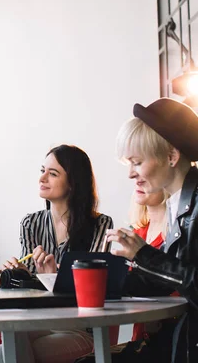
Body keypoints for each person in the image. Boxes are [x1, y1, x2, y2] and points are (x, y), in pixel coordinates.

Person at [81, 98, 198, 362]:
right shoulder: (178, 204)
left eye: (136, 162)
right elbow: (163, 282)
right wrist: (95, 277)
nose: (130, 174)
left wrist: (142, 254)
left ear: (171, 156)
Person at [0, 145, 114, 363]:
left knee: (12, 353)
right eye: (42, 170)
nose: (42, 178)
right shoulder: (31, 223)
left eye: (53, 173)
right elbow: (27, 293)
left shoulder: (101, 224)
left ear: (73, 183)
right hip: (40, 321)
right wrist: (20, 275)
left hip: (81, 329)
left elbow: (93, 289)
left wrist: (51, 278)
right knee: (2, 350)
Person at [128, 189, 173, 343]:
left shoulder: (175, 234)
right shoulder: (137, 233)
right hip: (140, 337)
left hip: (167, 333)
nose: (136, 179)